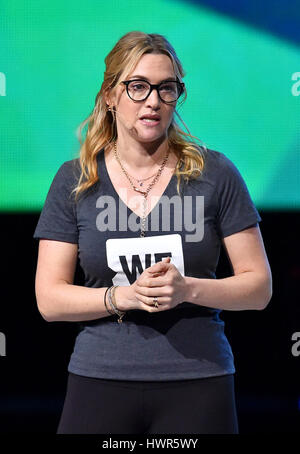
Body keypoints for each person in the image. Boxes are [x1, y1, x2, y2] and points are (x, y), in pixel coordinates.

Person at [33, 31, 272, 434]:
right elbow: (49, 299)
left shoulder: (215, 174)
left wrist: (187, 290)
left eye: (167, 89)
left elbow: (259, 288)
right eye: (138, 87)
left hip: (199, 380)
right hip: (100, 378)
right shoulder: (75, 180)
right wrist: (123, 297)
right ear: (110, 95)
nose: (154, 101)